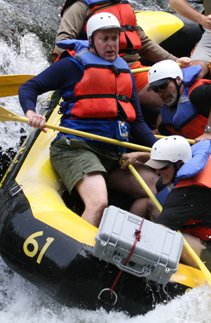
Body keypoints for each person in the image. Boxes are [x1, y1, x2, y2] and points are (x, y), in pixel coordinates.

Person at [20, 13, 159, 227]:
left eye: (115, 38)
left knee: (156, 189)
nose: (112, 44)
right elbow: (30, 87)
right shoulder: (73, 66)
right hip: (76, 149)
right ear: (92, 41)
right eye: (105, 39)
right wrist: (30, 113)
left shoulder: (125, 71)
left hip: (113, 155)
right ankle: (76, 254)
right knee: (99, 202)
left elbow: (137, 122)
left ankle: (131, 241)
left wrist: (159, 147)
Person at [54, 0, 189, 106]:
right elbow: (62, 44)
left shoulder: (122, 4)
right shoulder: (80, 7)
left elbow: (143, 42)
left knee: (181, 87)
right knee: (178, 98)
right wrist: (94, 57)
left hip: (132, 69)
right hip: (104, 73)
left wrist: (174, 60)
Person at [123, 136, 211, 277]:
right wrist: (139, 156)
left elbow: (157, 234)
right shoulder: (195, 161)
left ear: (179, 164)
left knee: (171, 240)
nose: (157, 172)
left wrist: (130, 250)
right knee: (151, 204)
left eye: (162, 167)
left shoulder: (188, 193)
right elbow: (169, 161)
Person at [144, 59, 211, 187]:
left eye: (163, 86)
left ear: (178, 80)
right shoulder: (169, 116)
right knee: (162, 186)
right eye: (156, 89)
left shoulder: (196, 94)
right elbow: (159, 135)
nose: (161, 92)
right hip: (204, 163)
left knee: (201, 184)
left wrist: (209, 132)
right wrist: (140, 154)